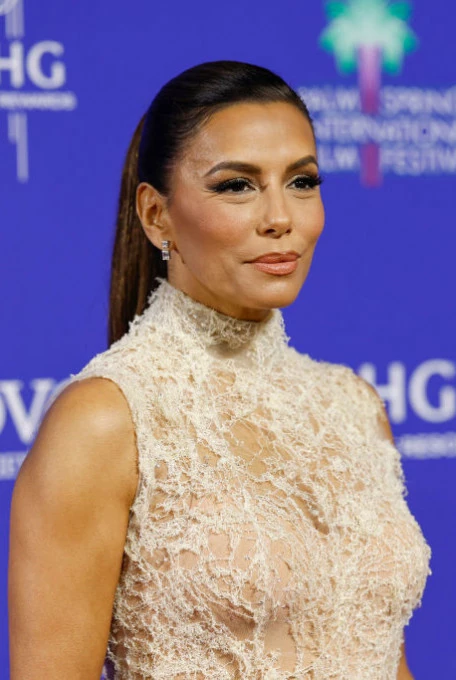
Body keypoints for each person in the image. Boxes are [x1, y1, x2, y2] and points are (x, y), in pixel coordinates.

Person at [8, 61, 432, 679]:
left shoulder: (354, 404)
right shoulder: (105, 420)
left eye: (302, 181)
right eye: (237, 185)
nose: (280, 217)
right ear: (157, 215)